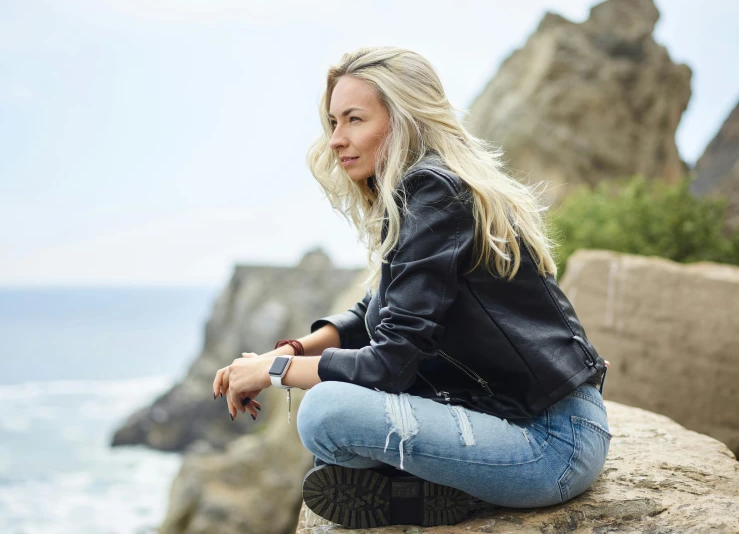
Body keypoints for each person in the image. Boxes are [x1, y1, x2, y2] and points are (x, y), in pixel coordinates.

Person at [212, 46, 612, 530]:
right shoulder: (424, 193)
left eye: (354, 119)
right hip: (520, 421)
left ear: (403, 120)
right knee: (335, 445)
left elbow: (390, 364)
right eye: (333, 122)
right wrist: (295, 348)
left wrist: (274, 370)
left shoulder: (436, 192)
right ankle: (438, 489)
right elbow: (372, 312)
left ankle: (447, 490)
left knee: (324, 415)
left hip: (551, 444)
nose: (337, 139)